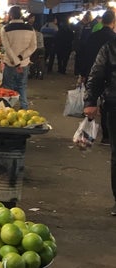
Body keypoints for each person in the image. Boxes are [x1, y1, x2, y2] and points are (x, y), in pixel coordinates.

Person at [83, 15, 116, 215]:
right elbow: (97, 74)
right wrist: (90, 101)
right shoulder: (110, 47)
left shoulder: (110, 46)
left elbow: (96, 74)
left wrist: (90, 101)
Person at [80, 11, 116, 145]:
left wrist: (91, 101)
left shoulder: (96, 37)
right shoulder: (111, 42)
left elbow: (95, 71)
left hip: (111, 97)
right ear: (113, 22)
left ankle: (106, 135)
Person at [0, 6, 37, 110]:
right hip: (24, 63)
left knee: (8, 88)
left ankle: (8, 110)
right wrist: (21, 57)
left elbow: (7, 48)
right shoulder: (30, 29)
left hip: (10, 64)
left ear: (11, 15)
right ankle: (24, 109)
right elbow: (33, 46)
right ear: (21, 15)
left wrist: (16, 62)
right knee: (22, 87)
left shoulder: (5, 29)